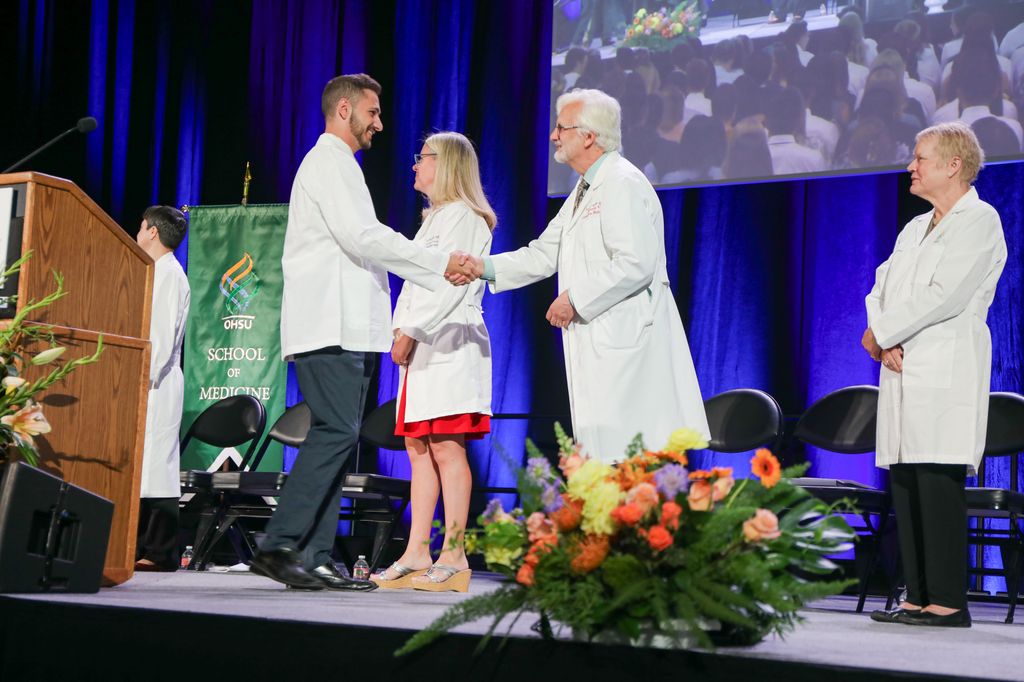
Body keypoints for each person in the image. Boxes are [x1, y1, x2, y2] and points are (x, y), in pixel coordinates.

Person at [248, 73, 471, 591]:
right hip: (332, 324)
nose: (380, 124)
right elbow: (363, 236)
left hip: (346, 326)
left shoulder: (339, 166)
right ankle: (282, 542)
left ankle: (317, 555)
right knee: (335, 432)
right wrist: (438, 263)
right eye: (373, 113)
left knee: (339, 435)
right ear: (344, 110)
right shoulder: (329, 162)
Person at [454, 89, 710, 462]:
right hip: (600, 340)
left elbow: (636, 261)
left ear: (589, 136)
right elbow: (544, 253)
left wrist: (574, 298)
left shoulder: (622, 182)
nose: (554, 135)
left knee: (631, 459)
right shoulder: (585, 188)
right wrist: (483, 267)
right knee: (606, 461)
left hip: (626, 339)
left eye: (562, 127)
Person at [863, 121, 1006, 628]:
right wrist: (879, 333)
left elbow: (944, 294)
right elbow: (882, 285)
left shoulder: (979, 221)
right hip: (902, 362)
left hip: (945, 359)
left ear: (952, 165)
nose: (910, 166)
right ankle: (916, 596)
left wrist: (884, 333)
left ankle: (947, 600)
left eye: (920, 158)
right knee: (906, 477)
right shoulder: (913, 228)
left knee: (936, 477)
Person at [370, 132, 495, 593]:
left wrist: (413, 332)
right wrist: (401, 332)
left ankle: (455, 553)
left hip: (448, 342)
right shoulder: (435, 219)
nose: (414, 165)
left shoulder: (465, 217)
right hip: (421, 346)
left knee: (446, 447)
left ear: (447, 165)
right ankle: (417, 549)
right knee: (418, 450)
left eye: (421, 157)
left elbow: (453, 284)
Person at [134, 206, 191, 572]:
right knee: (147, 467)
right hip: (148, 379)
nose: (137, 233)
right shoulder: (156, 272)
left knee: (158, 468)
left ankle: (160, 551)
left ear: (153, 232)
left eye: (141, 227)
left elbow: (162, 336)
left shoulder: (170, 274)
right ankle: (140, 545)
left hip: (157, 380)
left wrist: (142, 377)